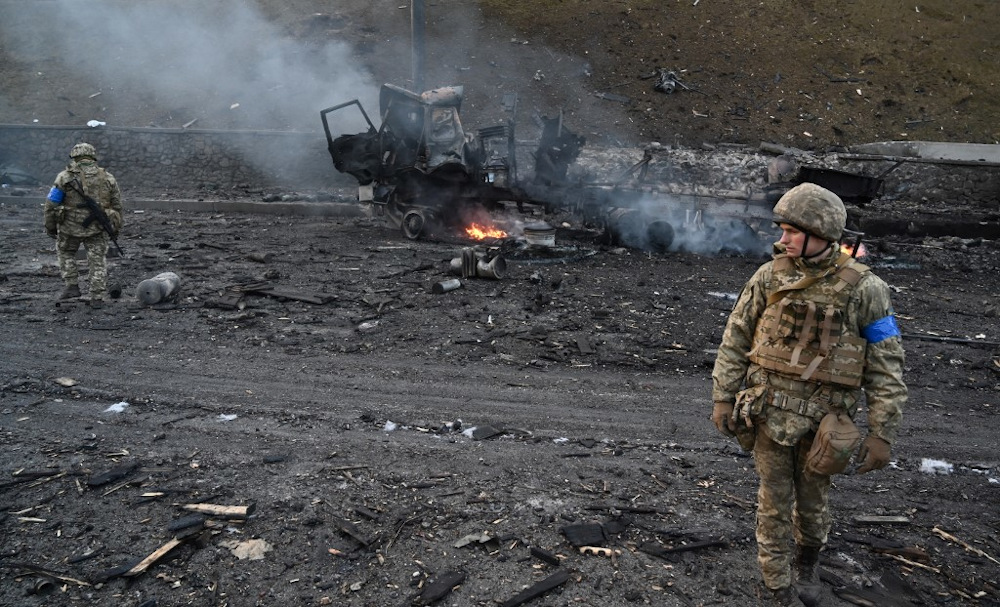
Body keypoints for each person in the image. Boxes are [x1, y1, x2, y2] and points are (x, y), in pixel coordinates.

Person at [711, 183, 906, 607]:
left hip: (827, 422)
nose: (781, 240)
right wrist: (723, 396)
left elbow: (886, 364)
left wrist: (881, 432)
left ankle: (807, 565)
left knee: (814, 502)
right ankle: (777, 586)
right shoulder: (769, 276)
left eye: (791, 232)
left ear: (822, 233)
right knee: (773, 501)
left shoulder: (867, 289)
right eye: (782, 230)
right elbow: (736, 335)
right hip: (769, 412)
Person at [43, 142, 123, 308]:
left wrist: (50, 227)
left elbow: (51, 204)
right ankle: (97, 296)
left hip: (69, 227)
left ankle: (72, 285)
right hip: (97, 228)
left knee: (65, 252)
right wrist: (115, 229)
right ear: (92, 156)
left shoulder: (64, 177)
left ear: (75, 157)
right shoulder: (108, 178)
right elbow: (117, 206)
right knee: (97, 260)